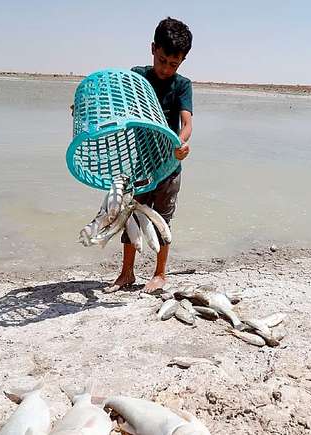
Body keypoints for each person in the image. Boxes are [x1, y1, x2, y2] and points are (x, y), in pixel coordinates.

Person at [105, 17, 193, 293]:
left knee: (162, 222)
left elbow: (187, 123)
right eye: (163, 60)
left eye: (174, 64)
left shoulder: (182, 85)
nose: (166, 68)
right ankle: (126, 273)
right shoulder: (137, 77)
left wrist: (181, 144)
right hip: (139, 166)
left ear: (182, 61)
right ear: (153, 48)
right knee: (129, 217)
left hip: (168, 168)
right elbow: (115, 105)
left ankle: (159, 274)